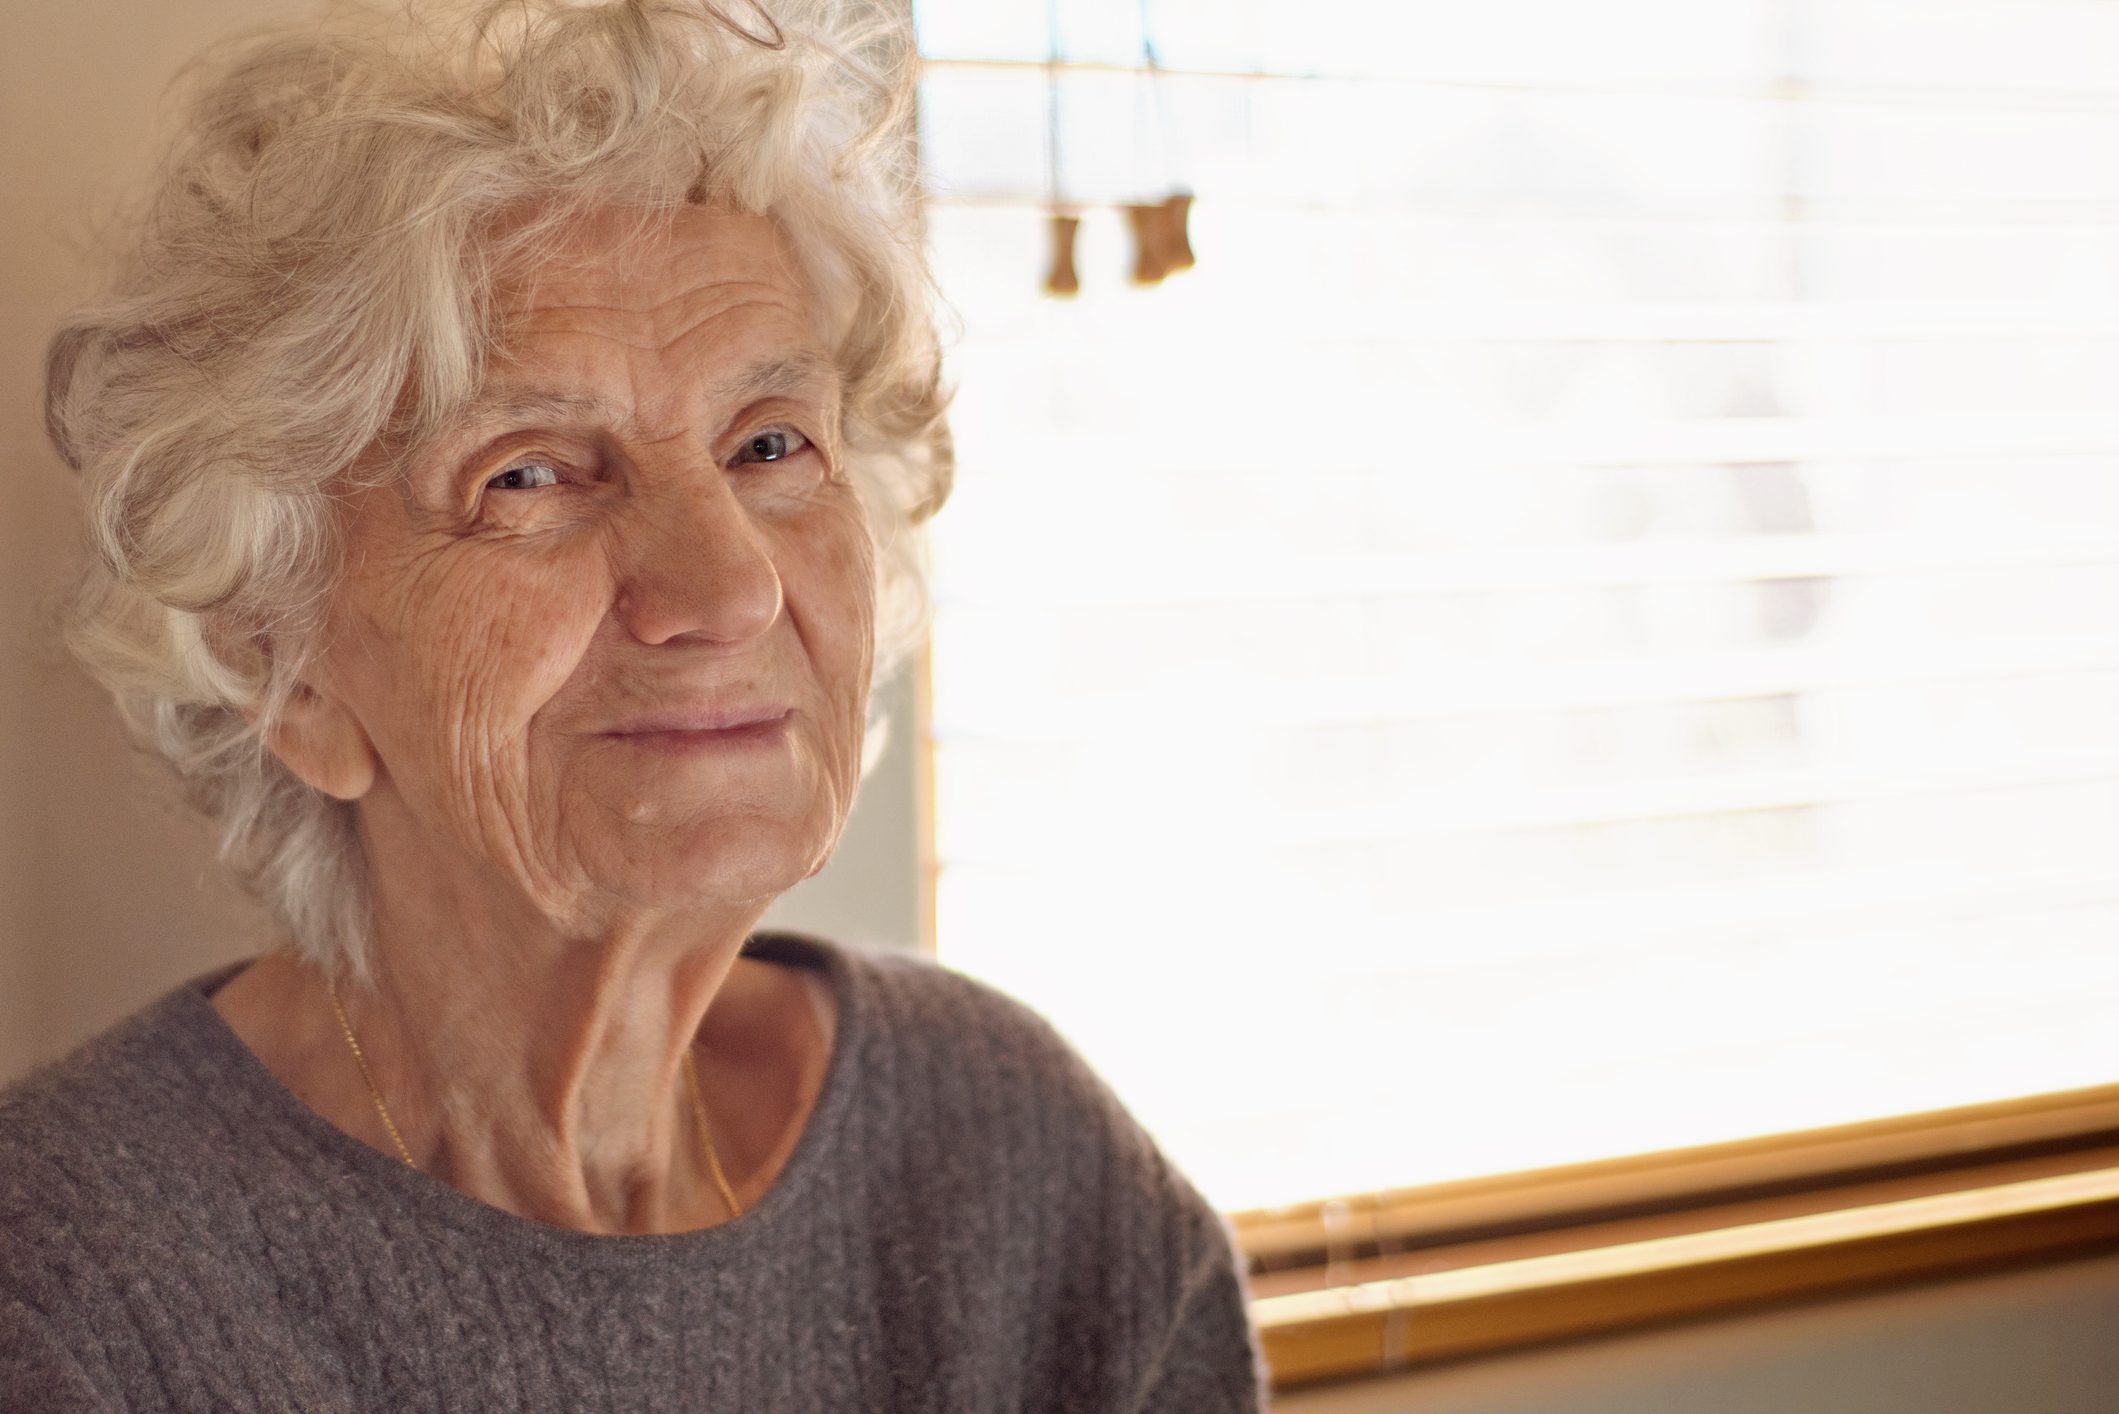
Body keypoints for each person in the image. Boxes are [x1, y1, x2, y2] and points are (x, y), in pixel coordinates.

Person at [0, 2, 1269, 1408]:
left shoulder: (1016, 1161)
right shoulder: (70, 1294)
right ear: (285, 667)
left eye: (771, 444)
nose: (724, 584)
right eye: (532, 473)